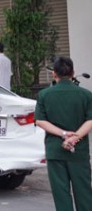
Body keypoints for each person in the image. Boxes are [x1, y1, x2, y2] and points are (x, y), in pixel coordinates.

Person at [34, 57, 92, 211]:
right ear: (73, 73)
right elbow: (90, 120)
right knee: (84, 194)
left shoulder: (44, 95)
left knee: (61, 195)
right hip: (79, 152)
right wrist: (75, 137)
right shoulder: (86, 95)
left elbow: (40, 121)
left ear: (54, 74)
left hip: (55, 150)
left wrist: (64, 134)